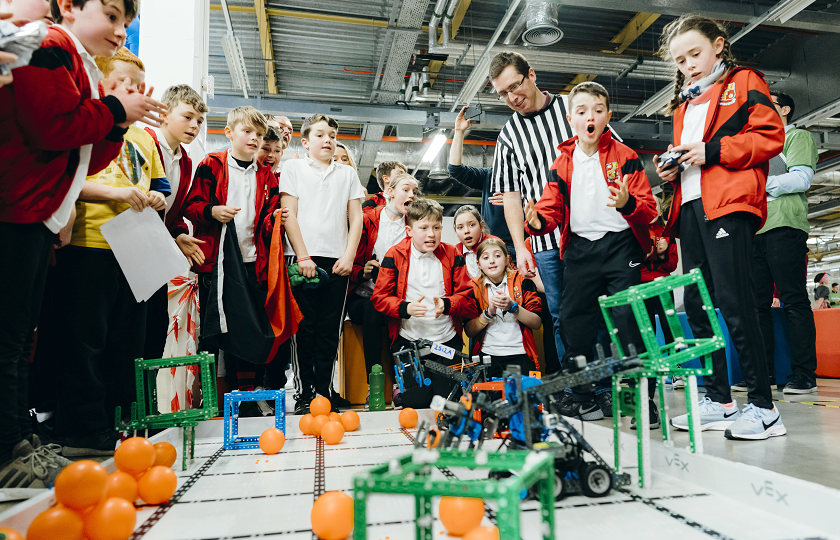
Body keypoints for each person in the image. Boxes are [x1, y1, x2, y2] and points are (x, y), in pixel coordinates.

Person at [0, 0, 164, 487]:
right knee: (9, 341)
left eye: (127, 24)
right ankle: (10, 452)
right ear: (69, 7)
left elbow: (83, 158)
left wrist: (115, 122)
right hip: (16, 209)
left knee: (16, 341)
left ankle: (18, 442)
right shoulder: (49, 45)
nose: (120, 32)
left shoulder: (76, 62)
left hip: (34, 214)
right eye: (112, 16)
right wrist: (113, 109)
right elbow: (48, 127)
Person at [654, 15, 786, 440]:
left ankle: (765, 409)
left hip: (728, 205)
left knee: (736, 301)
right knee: (695, 304)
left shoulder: (744, 81)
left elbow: (770, 137)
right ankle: (721, 400)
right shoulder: (683, 103)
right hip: (691, 208)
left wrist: (712, 150)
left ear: (718, 45)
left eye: (695, 53)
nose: (689, 64)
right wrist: (672, 169)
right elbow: (692, 155)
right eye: (680, 59)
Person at [51, 47, 170, 456]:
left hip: (136, 248)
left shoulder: (146, 136)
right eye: (123, 84)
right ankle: (84, 428)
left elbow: (160, 185)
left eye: (139, 86)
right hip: (90, 242)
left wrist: (156, 198)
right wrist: (115, 192)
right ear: (101, 82)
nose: (133, 91)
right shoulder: (89, 119)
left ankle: (122, 421)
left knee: (128, 342)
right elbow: (67, 175)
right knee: (85, 340)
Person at [525, 81, 657, 420]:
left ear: (608, 117)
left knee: (628, 319)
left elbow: (648, 208)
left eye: (598, 111)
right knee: (573, 322)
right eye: (582, 111)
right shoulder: (561, 164)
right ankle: (584, 395)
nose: (590, 117)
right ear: (571, 119)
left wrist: (628, 204)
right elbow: (549, 210)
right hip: (581, 251)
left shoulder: (625, 157)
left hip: (620, 246)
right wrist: (536, 222)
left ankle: (641, 396)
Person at [183, 106, 280, 415]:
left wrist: (276, 218)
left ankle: (246, 400)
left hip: (252, 265)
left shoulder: (266, 174)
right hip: (215, 264)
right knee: (211, 334)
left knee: (246, 332)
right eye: (247, 132)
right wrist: (213, 211)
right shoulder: (212, 164)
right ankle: (208, 401)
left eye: (259, 134)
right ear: (229, 133)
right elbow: (192, 204)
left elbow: (266, 220)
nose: (254, 138)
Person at [489, 51, 574, 370]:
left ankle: (607, 386)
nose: (512, 97)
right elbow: (510, 196)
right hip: (544, 244)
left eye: (515, 86)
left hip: (587, 234)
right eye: (503, 93)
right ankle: (576, 389)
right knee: (559, 315)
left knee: (597, 310)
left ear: (532, 75)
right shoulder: (508, 135)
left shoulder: (571, 107)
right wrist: (521, 246)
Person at [281, 113, 364, 414]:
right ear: (305, 142)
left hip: (338, 261)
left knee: (330, 330)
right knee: (305, 330)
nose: (328, 139)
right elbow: (288, 214)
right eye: (320, 134)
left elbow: (356, 218)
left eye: (331, 134)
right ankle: (304, 393)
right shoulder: (292, 168)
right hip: (302, 259)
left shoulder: (347, 174)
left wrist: (349, 256)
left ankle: (324, 392)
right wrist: (303, 256)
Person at [371, 198, 480, 406]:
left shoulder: (452, 253)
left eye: (436, 227)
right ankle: (402, 391)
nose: (431, 234)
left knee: (450, 403)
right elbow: (379, 298)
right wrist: (406, 308)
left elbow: (467, 296)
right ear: (409, 230)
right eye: (424, 228)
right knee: (416, 404)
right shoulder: (394, 255)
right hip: (409, 343)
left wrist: (447, 304)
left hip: (446, 342)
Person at [745, 90, 819, 395]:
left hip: (785, 228)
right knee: (757, 305)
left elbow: (801, 179)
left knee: (794, 299)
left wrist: (757, 186)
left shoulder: (796, 138)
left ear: (785, 109)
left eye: (768, 103)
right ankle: (765, 373)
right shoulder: (755, 147)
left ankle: (804, 373)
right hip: (754, 230)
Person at [144, 84, 208, 361]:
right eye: (188, 117)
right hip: (128, 250)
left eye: (199, 121)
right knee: (131, 331)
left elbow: (174, 212)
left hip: (156, 254)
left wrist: (179, 235)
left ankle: (145, 400)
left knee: (155, 330)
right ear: (164, 114)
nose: (194, 125)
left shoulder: (186, 161)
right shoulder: (144, 142)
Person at [347, 172, 419, 397]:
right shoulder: (369, 220)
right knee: (375, 309)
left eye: (415, 192)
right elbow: (351, 264)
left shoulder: (414, 226)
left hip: (397, 298)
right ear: (390, 192)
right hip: (364, 297)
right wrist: (363, 272)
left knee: (399, 314)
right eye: (406, 190)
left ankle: (404, 384)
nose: (412, 195)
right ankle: (374, 386)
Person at [465, 238, 542, 379]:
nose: (492, 261)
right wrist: (488, 313)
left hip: (521, 353)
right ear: (479, 264)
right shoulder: (473, 287)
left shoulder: (523, 281)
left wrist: (514, 307)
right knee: (488, 399)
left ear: (507, 260)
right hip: (488, 356)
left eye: (497, 255)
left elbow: (536, 323)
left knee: (526, 399)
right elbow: (469, 331)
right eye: (486, 257)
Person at [449, 106, 511, 252]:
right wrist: (459, 131)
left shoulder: (529, 177)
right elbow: (455, 169)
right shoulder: (488, 175)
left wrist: (515, 202)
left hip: (525, 243)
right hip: (493, 246)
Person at [453, 205, 498, 278]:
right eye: (460, 227)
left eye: (471, 225)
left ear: (481, 226)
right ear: (455, 230)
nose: (466, 231)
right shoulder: (455, 252)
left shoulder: (495, 244)